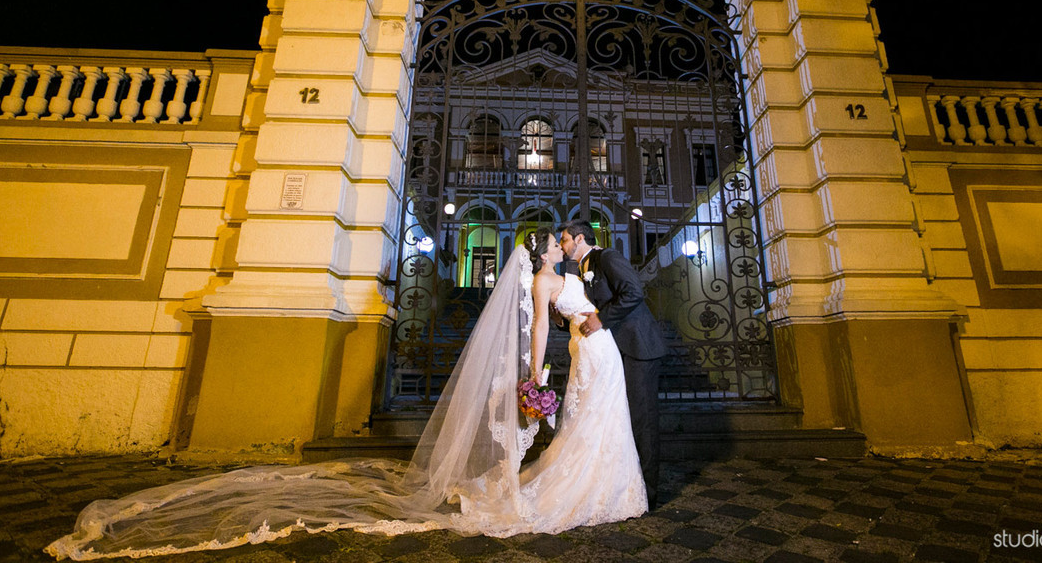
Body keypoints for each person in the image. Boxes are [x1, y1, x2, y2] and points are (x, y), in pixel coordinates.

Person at [46, 229, 646, 560]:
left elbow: (589, 304)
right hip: (580, 346)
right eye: (552, 244)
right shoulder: (547, 281)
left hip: (594, 348)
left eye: (560, 244)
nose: (557, 248)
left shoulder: (574, 272)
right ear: (540, 254)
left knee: (595, 416)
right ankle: (594, 486)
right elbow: (540, 326)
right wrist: (536, 373)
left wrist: (585, 329)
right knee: (586, 418)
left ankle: (604, 479)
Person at [559, 220, 666, 511]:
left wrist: (602, 318)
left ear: (580, 238)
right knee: (626, 418)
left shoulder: (607, 257)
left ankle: (648, 494)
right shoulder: (582, 267)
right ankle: (628, 485)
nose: (562, 245)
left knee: (642, 421)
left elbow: (634, 292)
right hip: (617, 351)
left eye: (566, 239)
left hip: (639, 348)